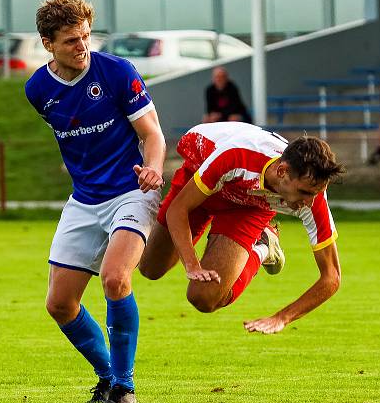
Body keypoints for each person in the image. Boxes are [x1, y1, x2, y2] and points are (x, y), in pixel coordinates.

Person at [24, 0, 166, 403]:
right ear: (48, 43)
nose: (82, 47)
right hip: (85, 200)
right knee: (59, 304)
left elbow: (153, 134)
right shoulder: (38, 90)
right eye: (71, 40)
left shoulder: (118, 72)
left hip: (132, 190)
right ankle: (106, 377)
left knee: (115, 278)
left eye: (86, 36)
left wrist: (153, 169)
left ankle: (124, 387)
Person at [139, 122, 345, 334]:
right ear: (282, 171)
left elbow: (331, 277)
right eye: (304, 193)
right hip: (200, 179)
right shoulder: (238, 156)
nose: (310, 203)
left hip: (248, 207)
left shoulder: (314, 195)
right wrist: (192, 265)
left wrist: (281, 318)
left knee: (204, 298)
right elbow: (177, 210)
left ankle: (264, 245)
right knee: (150, 269)